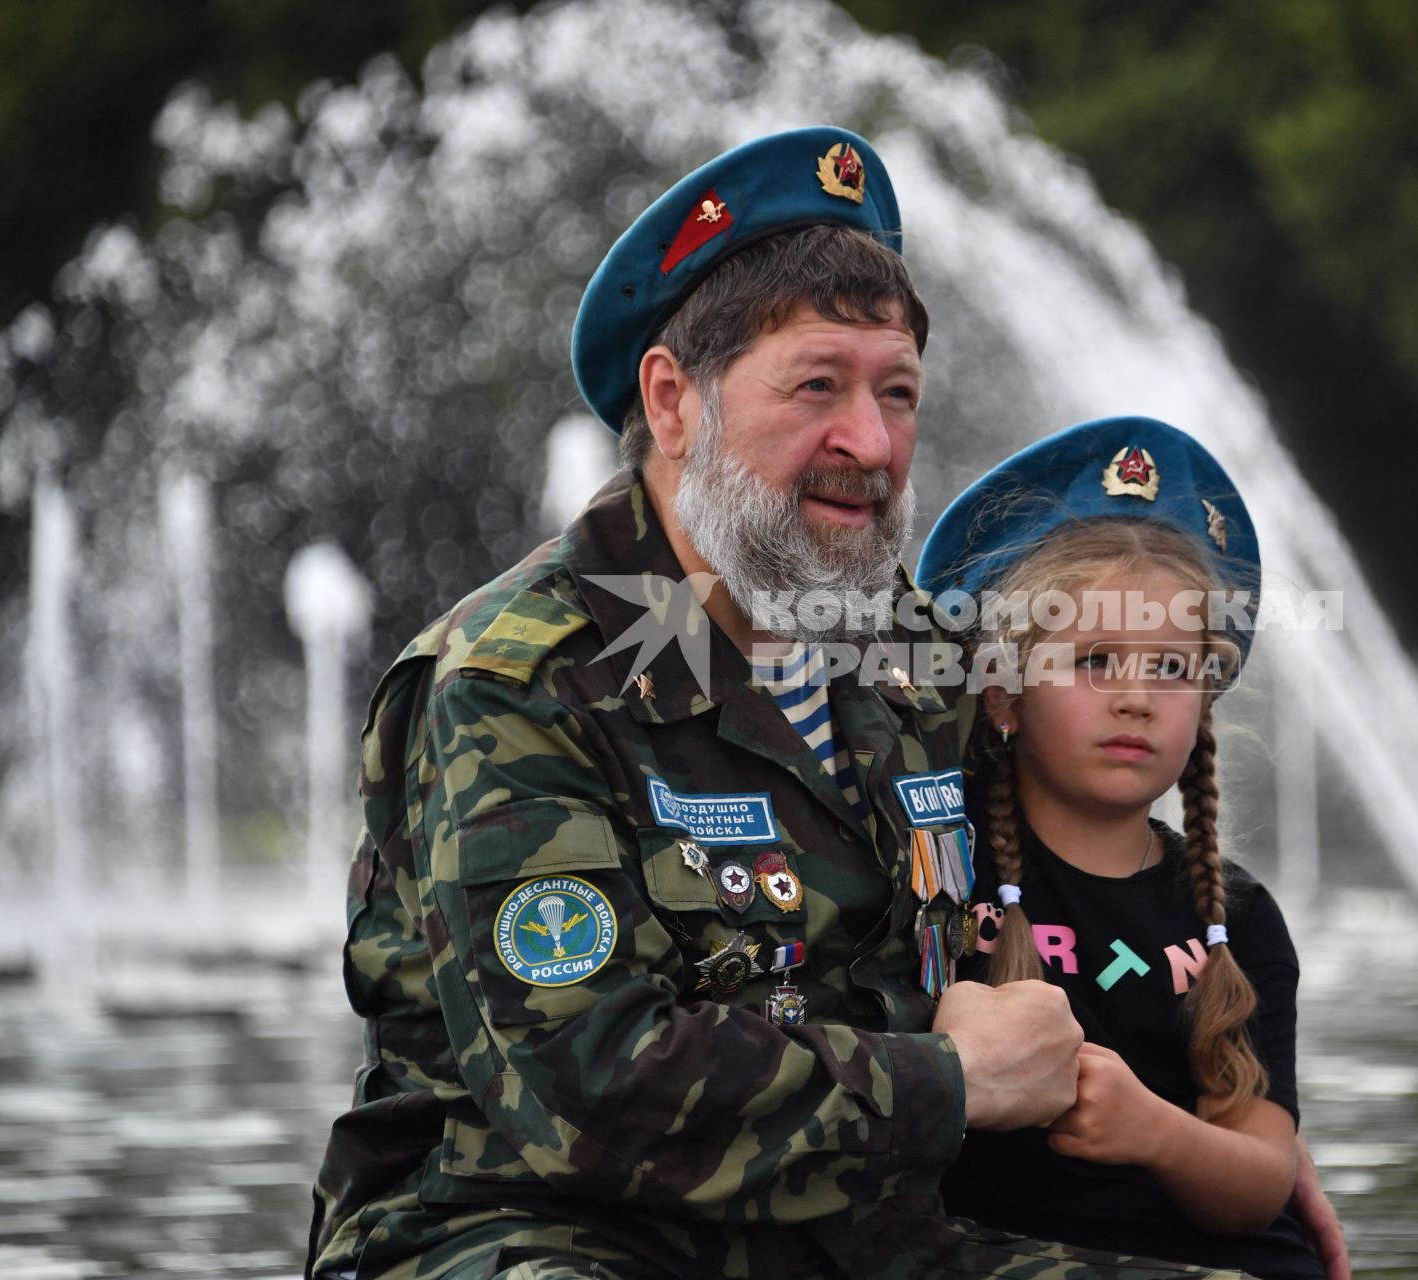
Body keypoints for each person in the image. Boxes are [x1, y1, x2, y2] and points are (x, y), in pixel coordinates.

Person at [305, 129, 1340, 1280]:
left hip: (862, 1237)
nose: (872, 442)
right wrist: (951, 1084)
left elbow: (1086, 865)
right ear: (673, 400)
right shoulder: (517, 680)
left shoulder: (916, 657)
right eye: (818, 386)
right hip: (531, 1233)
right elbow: (584, 1086)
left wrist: (1237, 1141)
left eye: (897, 393)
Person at [916, 418, 1332, 1279]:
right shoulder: (939, 870)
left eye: (1173, 670)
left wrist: (1153, 1131)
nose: (1137, 699)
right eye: (1096, 659)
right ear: (1002, 694)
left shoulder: (1238, 918)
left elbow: (1263, 1180)